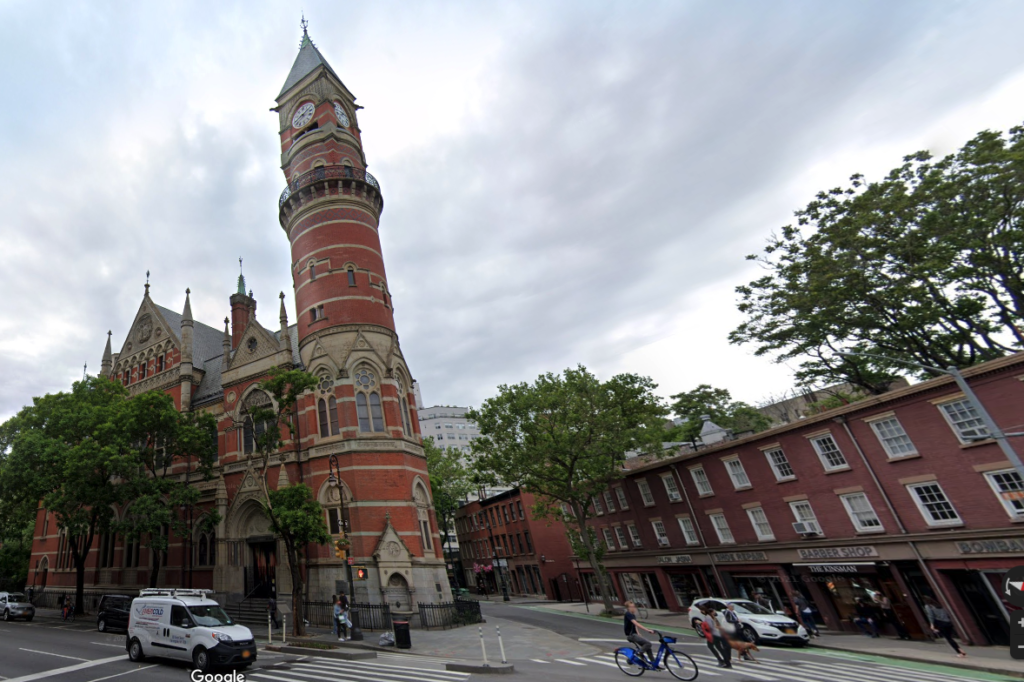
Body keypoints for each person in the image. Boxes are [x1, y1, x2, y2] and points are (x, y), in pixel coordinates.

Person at [623, 600, 660, 670]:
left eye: (634, 606)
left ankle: (653, 663)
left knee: (648, 647)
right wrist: (647, 630)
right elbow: (636, 623)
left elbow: (634, 625)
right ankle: (639, 653)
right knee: (648, 644)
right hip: (631, 635)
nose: (633, 608)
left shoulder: (632, 615)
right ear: (628, 608)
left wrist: (638, 633)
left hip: (634, 634)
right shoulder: (628, 614)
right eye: (631, 607)